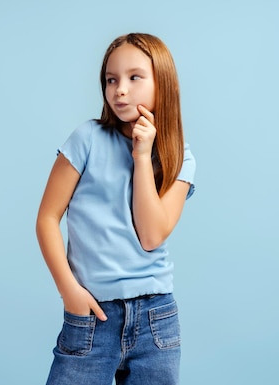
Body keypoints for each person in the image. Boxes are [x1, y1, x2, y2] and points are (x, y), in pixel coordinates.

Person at [36, 33, 196, 385]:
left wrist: (142, 155)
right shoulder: (87, 139)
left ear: (162, 83)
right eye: (111, 80)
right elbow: (47, 218)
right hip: (92, 314)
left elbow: (151, 235)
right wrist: (69, 292)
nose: (119, 90)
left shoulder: (179, 157)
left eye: (134, 77)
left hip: (156, 319)